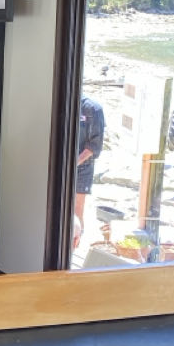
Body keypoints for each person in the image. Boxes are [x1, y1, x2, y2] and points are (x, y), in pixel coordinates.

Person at [74, 94, 105, 248]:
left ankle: (74, 244)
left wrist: (74, 163)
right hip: (63, 165)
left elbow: (94, 146)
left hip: (83, 167)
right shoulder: (61, 103)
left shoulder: (93, 109)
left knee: (77, 209)